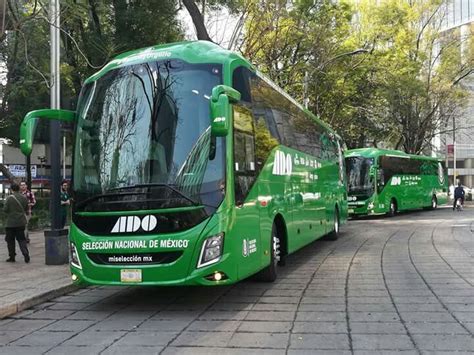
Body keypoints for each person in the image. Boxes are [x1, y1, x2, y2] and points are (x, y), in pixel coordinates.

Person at [3, 182, 30, 263]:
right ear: (19, 188)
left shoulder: (9, 198)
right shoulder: (24, 198)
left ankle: (12, 256)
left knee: (10, 240)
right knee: (21, 239)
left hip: (10, 223)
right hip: (21, 222)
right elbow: (26, 209)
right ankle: (25, 254)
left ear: (11, 189)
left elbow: (5, 210)